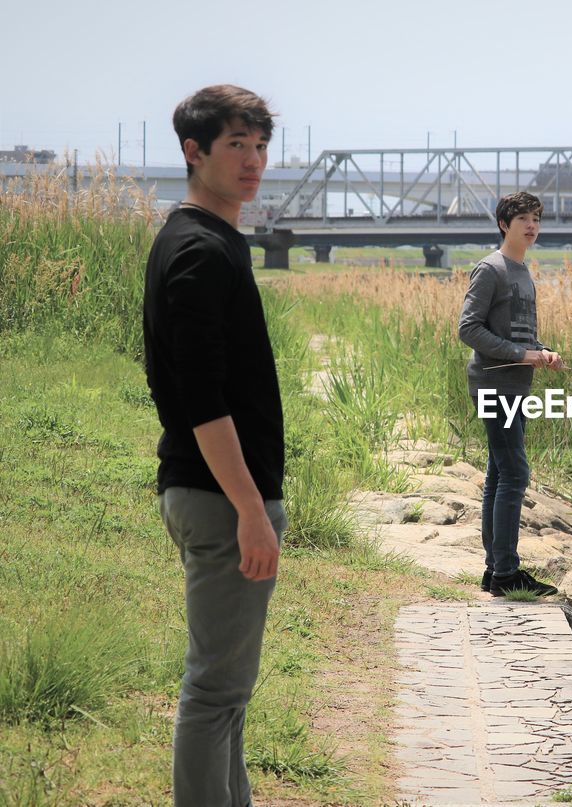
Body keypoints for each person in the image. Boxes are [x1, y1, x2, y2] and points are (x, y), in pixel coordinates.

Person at [142, 84, 283, 807]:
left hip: (220, 493)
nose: (254, 160)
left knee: (229, 692)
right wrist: (251, 509)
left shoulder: (211, 239)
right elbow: (200, 401)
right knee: (214, 689)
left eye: (260, 145)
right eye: (237, 145)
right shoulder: (199, 250)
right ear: (194, 152)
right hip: (222, 497)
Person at [458, 191, 563, 597]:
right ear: (505, 224)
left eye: (536, 218)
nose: (532, 226)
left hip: (515, 385)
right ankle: (506, 574)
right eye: (523, 219)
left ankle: (494, 570)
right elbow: (468, 329)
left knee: (500, 473)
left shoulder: (522, 270)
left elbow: (516, 332)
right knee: (515, 472)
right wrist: (523, 354)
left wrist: (543, 351)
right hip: (492, 384)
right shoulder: (491, 269)